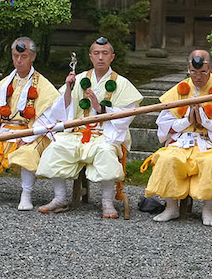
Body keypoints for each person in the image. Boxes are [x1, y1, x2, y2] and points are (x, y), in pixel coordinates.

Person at [33, 37, 143, 218]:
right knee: (56, 147)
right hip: (78, 132)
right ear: (91, 56)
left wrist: (102, 108)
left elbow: (128, 114)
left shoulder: (122, 84)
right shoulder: (80, 78)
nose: (101, 57)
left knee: (106, 151)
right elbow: (61, 109)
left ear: (112, 57)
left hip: (106, 134)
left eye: (105, 53)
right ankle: (60, 198)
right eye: (97, 53)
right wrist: (68, 88)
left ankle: (107, 202)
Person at [145, 50, 212, 226]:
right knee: (167, 158)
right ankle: (171, 207)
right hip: (181, 141)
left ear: (211, 68)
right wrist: (186, 120)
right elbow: (164, 123)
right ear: (188, 68)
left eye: (203, 72)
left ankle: (208, 210)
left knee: (211, 162)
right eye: (194, 72)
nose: (198, 77)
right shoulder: (178, 90)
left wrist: (206, 121)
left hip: (210, 142)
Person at [0, 37, 58, 211]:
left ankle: (26, 195)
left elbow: (49, 115)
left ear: (33, 57)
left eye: (23, 56)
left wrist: (29, 137)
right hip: (3, 130)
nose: (18, 60)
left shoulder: (43, 85)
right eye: (15, 56)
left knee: (28, 153)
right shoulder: (5, 83)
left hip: (30, 132)